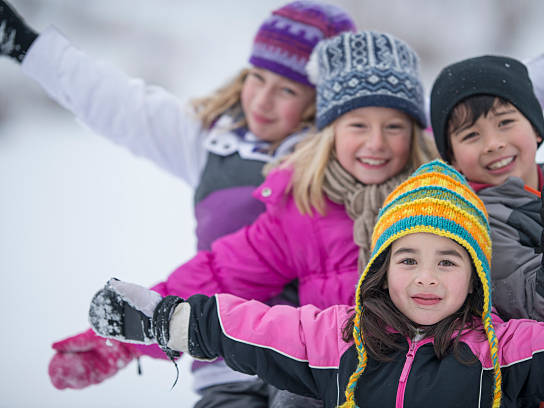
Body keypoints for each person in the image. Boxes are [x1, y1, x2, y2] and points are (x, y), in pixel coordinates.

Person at [48, 28, 439, 403]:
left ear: (415, 134)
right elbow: (219, 272)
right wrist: (121, 341)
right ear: (330, 131)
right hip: (330, 385)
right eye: (358, 125)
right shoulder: (302, 210)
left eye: (393, 127)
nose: (376, 143)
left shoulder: (441, 202)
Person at [0, 0, 356, 406]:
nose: (261, 101)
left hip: (305, 362)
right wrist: (29, 48)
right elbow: (123, 106)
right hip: (221, 358)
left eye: (287, 90)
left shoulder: (346, 160)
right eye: (256, 78)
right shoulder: (212, 142)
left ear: (320, 99)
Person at [86, 160, 544, 408]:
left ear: (474, 276)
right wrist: (163, 319)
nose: (426, 276)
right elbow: (253, 329)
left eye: (448, 262)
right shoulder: (341, 339)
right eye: (408, 259)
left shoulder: (501, 350)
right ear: (382, 269)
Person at [429, 51, 544, 407]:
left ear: (535, 126)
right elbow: (537, 306)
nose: (493, 143)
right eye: (471, 134)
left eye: (505, 122)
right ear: (450, 157)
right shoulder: (478, 222)